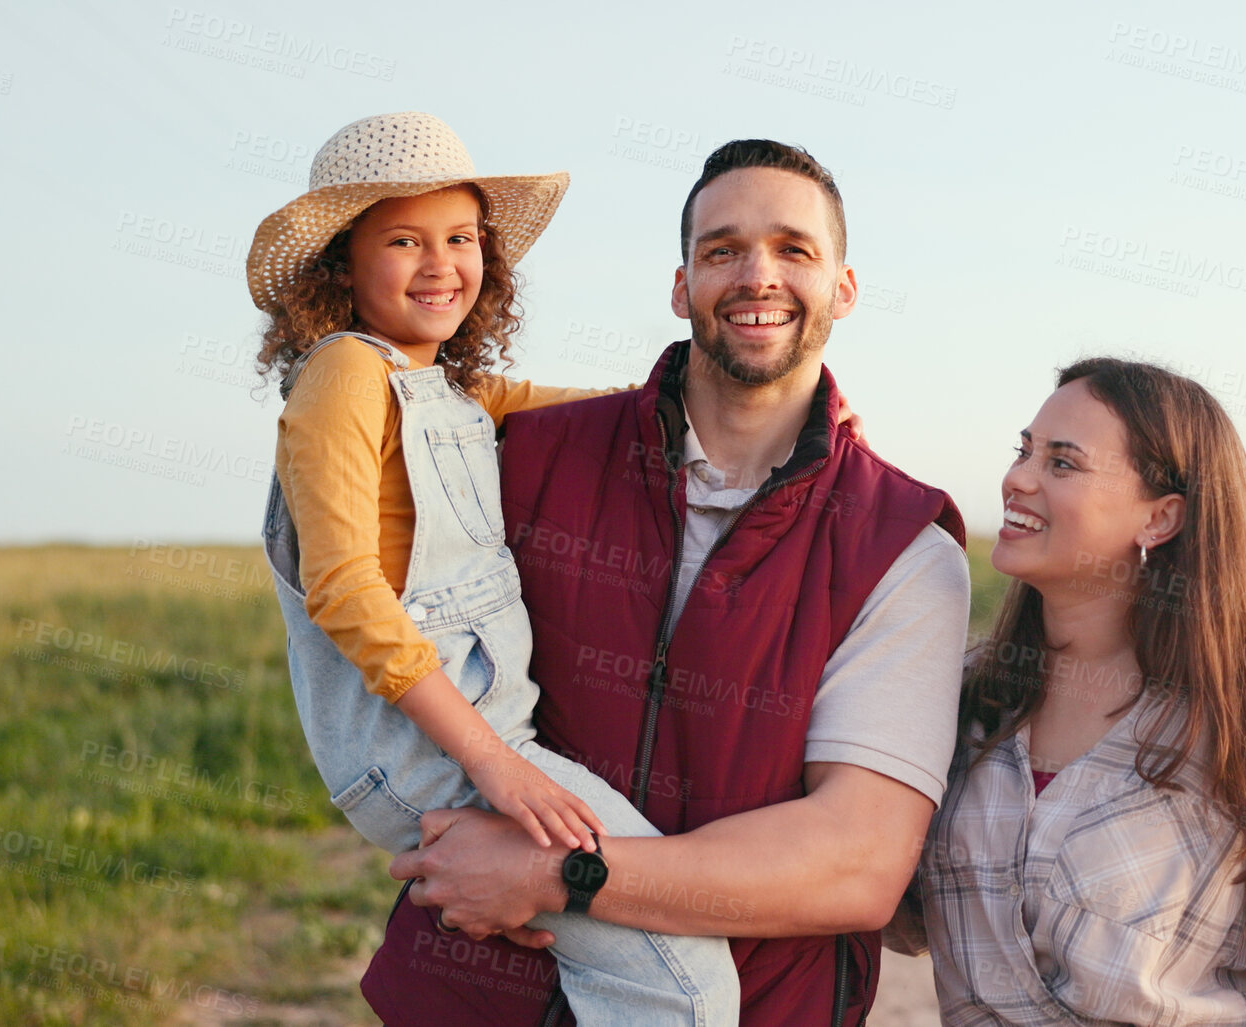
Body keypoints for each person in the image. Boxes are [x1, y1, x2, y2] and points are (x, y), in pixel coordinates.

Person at [361, 140, 971, 1026]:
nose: (757, 275)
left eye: (793, 249)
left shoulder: (901, 544)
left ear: (842, 287)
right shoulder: (522, 458)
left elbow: (854, 861)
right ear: (681, 286)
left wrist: (548, 873)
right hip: (470, 998)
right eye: (722, 249)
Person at [250, 111, 741, 1027]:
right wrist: (498, 769)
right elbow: (344, 589)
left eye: (461, 238)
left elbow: (580, 411)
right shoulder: (347, 375)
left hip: (477, 738)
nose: (441, 265)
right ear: (340, 268)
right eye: (403, 240)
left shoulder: (451, 389)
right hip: (433, 746)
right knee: (683, 981)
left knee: (616, 966)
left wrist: (746, 407)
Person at [886, 358, 1246, 1025]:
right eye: (1024, 451)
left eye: (1062, 463)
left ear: (1159, 518)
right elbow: (880, 904)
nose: (1016, 478)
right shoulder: (965, 701)